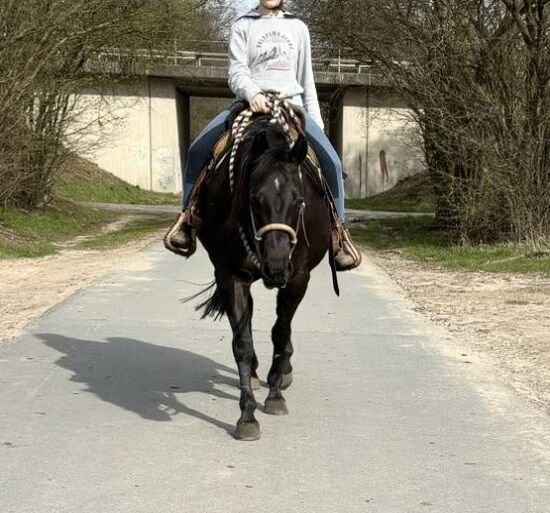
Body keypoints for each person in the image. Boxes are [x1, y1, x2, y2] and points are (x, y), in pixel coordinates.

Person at [165, 0, 361, 270]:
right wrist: (252, 93)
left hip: (292, 105)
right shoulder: (243, 24)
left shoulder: (298, 28)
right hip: (249, 103)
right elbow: (236, 72)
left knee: (333, 163)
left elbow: (306, 81)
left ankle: (339, 235)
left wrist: (318, 127)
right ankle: (187, 222)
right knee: (197, 150)